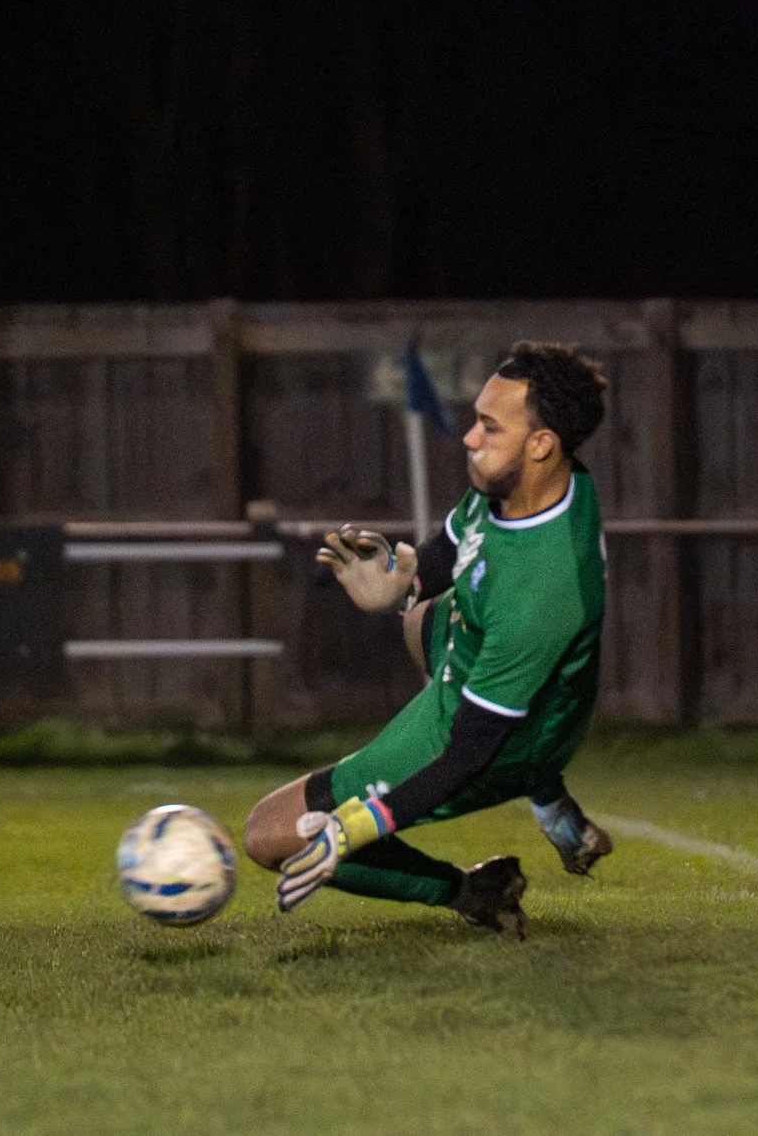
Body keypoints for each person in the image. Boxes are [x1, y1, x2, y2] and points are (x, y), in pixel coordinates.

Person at [242, 342, 615, 940]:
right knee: (418, 618)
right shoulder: (531, 483)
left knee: (270, 835)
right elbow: (453, 550)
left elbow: (464, 756)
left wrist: (347, 830)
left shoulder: (544, 588)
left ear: (542, 444)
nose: (470, 438)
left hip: (491, 737)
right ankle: (549, 796)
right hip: (507, 678)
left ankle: (471, 889)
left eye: (490, 428)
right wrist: (403, 585)